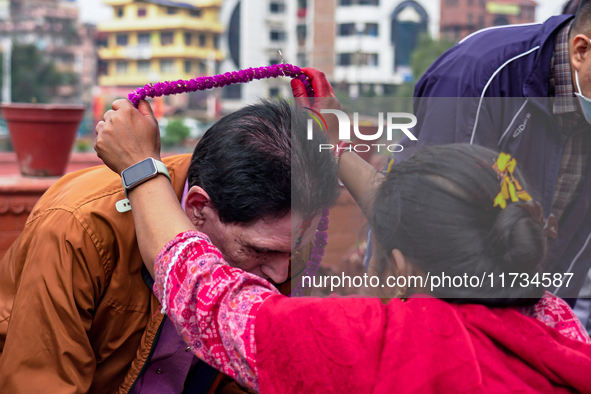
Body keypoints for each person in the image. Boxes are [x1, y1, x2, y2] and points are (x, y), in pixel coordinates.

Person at [94, 69, 591, 393]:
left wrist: (140, 168)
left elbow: (208, 295)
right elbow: (441, 226)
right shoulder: (556, 328)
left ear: (399, 268)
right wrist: (339, 149)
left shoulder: (377, 348)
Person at [0, 98, 339, 393]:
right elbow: (41, 383)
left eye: (290, 253)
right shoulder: (80, 228)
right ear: (197, 208)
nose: (280, 273)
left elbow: (253, 378)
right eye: (258, 251)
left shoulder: (285, 237)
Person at [393, 1, 591, 300]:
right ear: (580, 51)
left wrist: (550, 320)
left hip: (531, 309)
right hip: (437, 300)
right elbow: (437, 217)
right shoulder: (479, 74)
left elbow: (578, 242)